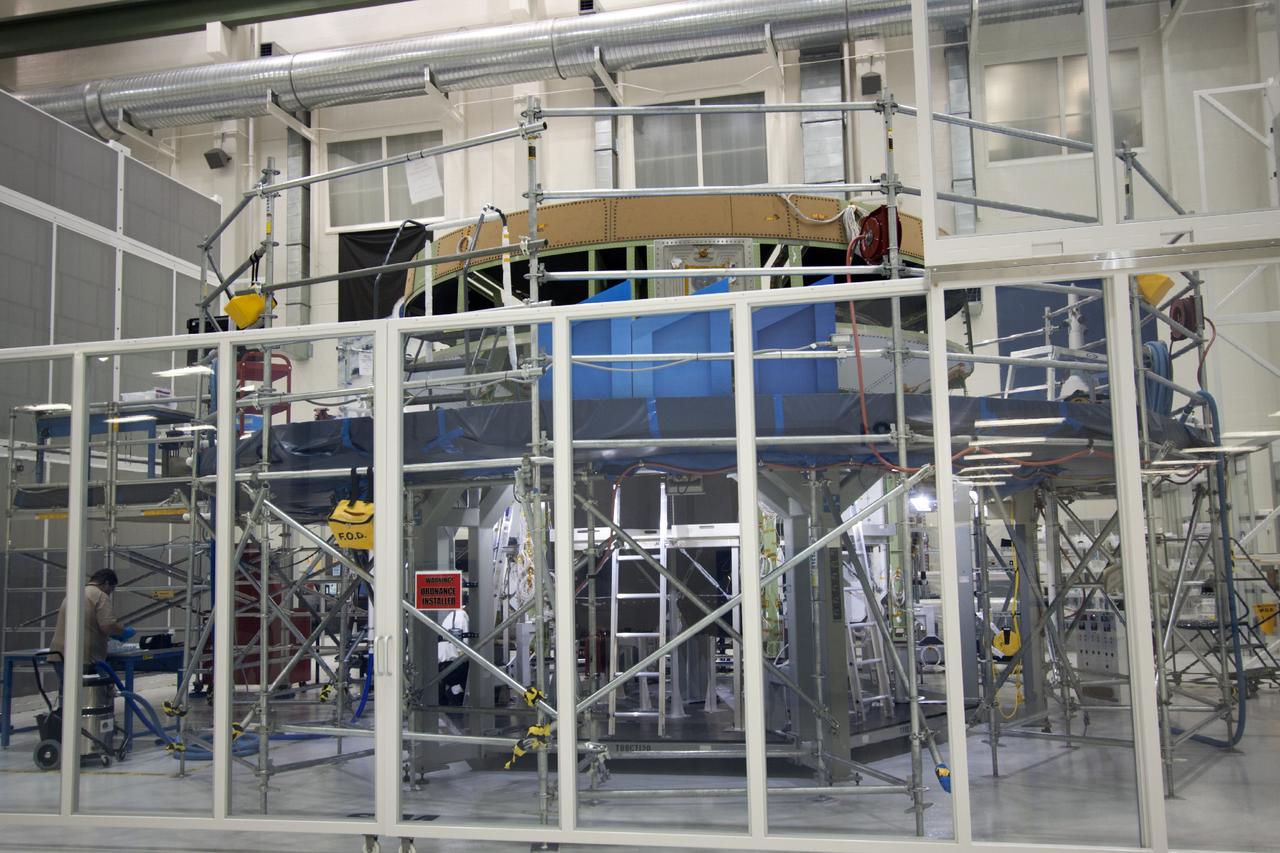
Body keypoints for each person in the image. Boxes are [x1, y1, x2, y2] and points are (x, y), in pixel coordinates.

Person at [50, 569, 134, 668]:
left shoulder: (75, 593)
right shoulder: (100, 595)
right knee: (96, 683)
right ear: (107, 583)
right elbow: (107, 625)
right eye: (111, 589)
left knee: (65, 683)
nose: (109, 593)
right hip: (83, 656)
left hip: (59, 653)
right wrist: (122, 631)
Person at [438, 594, 470, 707]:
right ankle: (454, 691)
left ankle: (454, 691)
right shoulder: (462, 616)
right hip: (452, 666)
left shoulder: (451, 615)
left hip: (442, 665)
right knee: (480, 671)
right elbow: (464, 648)